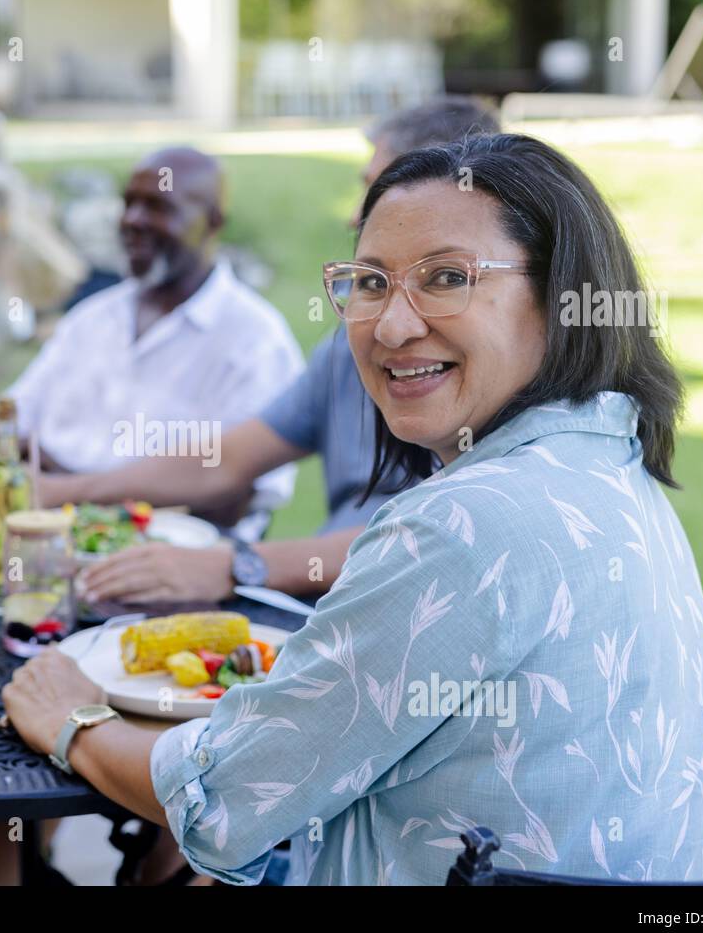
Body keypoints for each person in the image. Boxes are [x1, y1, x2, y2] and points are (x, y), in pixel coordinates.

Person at [1, 132, 703, 885]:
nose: (390, 326)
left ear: (559, 298)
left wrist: (72, 720)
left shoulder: (462, 525)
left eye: (447, 278)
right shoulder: (614, 463)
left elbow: (221, 803)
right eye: (370, 281)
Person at [43, 98, 500, 605]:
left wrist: (239, 565)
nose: (354, 216)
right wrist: (62, 492)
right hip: (318, 610)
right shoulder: (353, 349)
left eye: (374, 189)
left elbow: (440, 537)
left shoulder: (494, 372)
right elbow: (226, 459)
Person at [0, 146, 305, 528]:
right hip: (45, 529)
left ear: (212, 222)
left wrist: (68, 483)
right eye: (128, 204)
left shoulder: (255, 341)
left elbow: (226, 498)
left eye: (158, 207)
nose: (132, 220)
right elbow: (8, 421)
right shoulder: (92, 317)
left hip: (167, 552)